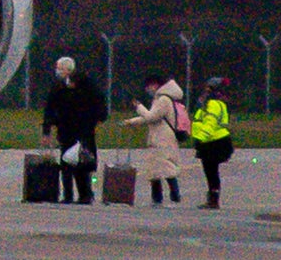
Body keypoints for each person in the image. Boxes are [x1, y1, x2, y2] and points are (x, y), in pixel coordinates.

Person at [41, 56, 108, 204]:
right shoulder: (58, 87)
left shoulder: (86, 85)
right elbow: (50, 109)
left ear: (68, 70)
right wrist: (46, 130)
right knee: (66, 162)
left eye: (59, 68)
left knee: (82, 163)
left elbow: (99, 104)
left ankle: (85, 194)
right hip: (66, 130)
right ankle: (68, 195)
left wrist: (97, 120)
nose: (57, 71)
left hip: (84, 131)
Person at [122, 73, 183, 206]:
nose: (148, 89)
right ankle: (163, 196)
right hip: (160, 136)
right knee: (156, 168)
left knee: (163, 167)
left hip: (162, 138)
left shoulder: (163, 99)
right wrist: (131, 122)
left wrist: (139, 107)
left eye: (149, 86)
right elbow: (151, 117)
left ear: (156, 85)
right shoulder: (161, 99)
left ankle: (169, 195)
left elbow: (151, 117)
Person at [192, 76, 233, 210]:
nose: (205, 92)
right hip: (213, 141)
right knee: (211, 171)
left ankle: (213, 200)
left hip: (214, 142)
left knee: (211, 171)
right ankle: (212, 198)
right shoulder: (212, 104)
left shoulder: (213, 104)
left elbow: (210, 122)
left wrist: (201, 139)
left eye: (209, 89)